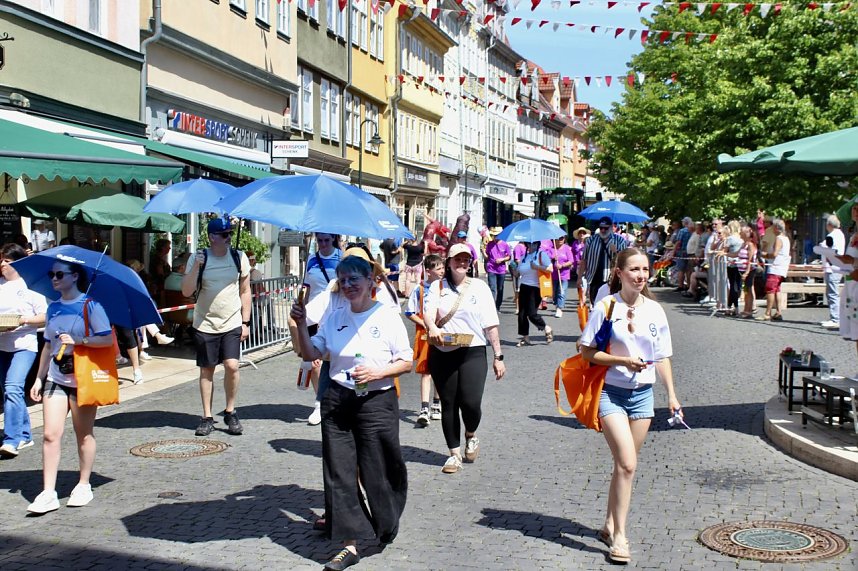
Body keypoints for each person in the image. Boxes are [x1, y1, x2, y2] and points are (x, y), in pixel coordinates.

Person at [290, 255, 412, 571]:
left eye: (354, 278)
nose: (348, 285)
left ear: (371, 281)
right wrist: (300, 324)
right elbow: (311, 353)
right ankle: (349, 544)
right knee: (339, 470)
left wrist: (376, 372)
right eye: (343, 280)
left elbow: (406, 362)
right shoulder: (335, 317)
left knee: (379, 471)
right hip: (338, 400)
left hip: (376, 403)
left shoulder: (386, 317)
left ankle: (386, 519)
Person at [579, 247, 680, 564]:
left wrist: (672, 396)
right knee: (627, 464)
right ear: (619, 273)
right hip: (610, 392)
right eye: (634, 269)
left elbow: (662, 356)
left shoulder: (655, 311)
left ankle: (609, 524)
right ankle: (620, 537)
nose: (641, 275)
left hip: (643, 396)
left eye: (646, 270)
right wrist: (622, 360)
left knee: (624, 466)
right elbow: (587, 352)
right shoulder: (607, 307)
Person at [27, 259, 114, 513]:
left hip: (83, 379)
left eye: (59, 274)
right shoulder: (53, 308)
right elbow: (47, 345)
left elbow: (107, 339)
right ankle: (48, 492)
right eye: (51, 274)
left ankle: (84, 484)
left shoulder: (91, 306)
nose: (54, 278)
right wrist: (39, 378)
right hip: (56, 377)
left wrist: (80, 340)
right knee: (50, 434)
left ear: (75, 276)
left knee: (83, 433)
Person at [424, 243, 505, 474]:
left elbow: (491, 323)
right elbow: (428, 313)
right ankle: (454, 454)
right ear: (448, 262)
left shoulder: (479, 287)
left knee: (470, 402)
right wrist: (432, 328)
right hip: (443, 350)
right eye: (457, 259)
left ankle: (471, 433)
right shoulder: (437, 287)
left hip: (473, 349)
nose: (462, 263)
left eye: (466, 260)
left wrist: (498, 355)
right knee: (448, 403)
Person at [181, 218, 251, 436]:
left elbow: (245, 290)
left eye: (230, 233)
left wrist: (245, 321)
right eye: (224, 234)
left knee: (232, 365)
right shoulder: (199, 257)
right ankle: (207, 416)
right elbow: (186, 291)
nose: (229, 237)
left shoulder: (238, 257)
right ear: (212, 237)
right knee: (207, 369)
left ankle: (230, 411)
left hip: (231, 321)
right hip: (205, 323)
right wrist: (196, 268)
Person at [0, 243, 47, 458]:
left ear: (18, 263)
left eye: (7, 261)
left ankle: (11, 439)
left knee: (12, 387)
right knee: (11, 392)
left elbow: (44, 316)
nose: (2, 265)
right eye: (1, 260)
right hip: (2, 344)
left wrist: (24, 320)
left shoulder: (30, 286)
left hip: (24, 345)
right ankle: (26, 434)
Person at [302, 233, 342, 426]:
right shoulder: (312, 259)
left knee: (331, 359)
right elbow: (306, 286)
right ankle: (319, 402)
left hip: (333, 314)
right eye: (320, 240)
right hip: (314, 313)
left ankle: (331, 398)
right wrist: (301, 306)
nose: (323, 244)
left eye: (327, 240)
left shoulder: (341, 258)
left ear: (333, 240)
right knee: (315, 361)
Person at [404, 254, 444, 426]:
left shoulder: (446, 288)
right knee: (426, 371)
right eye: (438, 269)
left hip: (442, 333)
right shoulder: (420, 289)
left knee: (440, 371)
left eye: (443, 268)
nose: (442, 271)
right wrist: (424, 324)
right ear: (428, 271)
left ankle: (437, 402)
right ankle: (424, 408)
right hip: (424, 335)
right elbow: (409, 312)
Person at [577, 217, 628, 306]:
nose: (603, 230)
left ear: (611, 227)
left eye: (606, 228)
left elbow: (624, 261)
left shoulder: (620, 241)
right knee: (595, 303)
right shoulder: (590, 240)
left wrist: (616, 251)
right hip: (593, 278)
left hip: (611, 279)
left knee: (609, 305)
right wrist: (579, 278)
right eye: (601, 228)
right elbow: (584, 260)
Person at [515, 241, 554, 346]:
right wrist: (513, 267)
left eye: (535, 244)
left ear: (538, 244)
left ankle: (546, 327)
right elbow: (518, 273)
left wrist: (537, 267)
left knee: (531, 313)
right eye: (530, 243)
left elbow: (550, 269)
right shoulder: (524, 257)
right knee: (522, 314)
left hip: (536, 287)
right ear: (527, 245)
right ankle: (525, 337)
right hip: (523, 286)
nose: (532, 246)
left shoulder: (542, 254)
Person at [758, 218, 790, 321]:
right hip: (782, 268)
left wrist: (765, 255)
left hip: (775, 267)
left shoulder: (779, 239)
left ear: (776, 228)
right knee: (777, 290)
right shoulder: (786, 238)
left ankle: (767, 313)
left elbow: (775, 254)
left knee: (770, 290)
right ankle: (778, 312)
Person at [820, 214, 845, 329]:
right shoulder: (840, 234)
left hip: (832, 267)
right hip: (836, 267)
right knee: (832, 292)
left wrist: (822, 248)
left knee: (832, 293)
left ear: (829, 224)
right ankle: (835, 317)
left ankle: (835, 319)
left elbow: (831, 251)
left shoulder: (832, 236)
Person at [484, 227, 511, 311]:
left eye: (496, 235)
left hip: (501, 270)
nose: (494, 237)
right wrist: (483, 252)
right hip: (491, 268)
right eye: (493, 235)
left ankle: (498, 305)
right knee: (492, 287)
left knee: (500, 288)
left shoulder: (505, 244)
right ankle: (492, 306)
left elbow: (509, 256)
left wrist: (502, 259)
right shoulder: (490, 244)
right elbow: (487, 257)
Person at [550, 235, 574, 318]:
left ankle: (559, 308)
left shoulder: (567, 248)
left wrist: (562, 265)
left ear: (564, 239)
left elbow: (571, 261)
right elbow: (546, 260)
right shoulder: (551, 249)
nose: (560, 240)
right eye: (558, 238)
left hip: (564, 274)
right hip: (553, 275)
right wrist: (552, 258)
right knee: (554, 293)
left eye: (562, 238)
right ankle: (556, 304)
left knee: (561, 291)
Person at [149, 238, 172, 304]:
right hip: (159, 288)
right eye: (168, 246)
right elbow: (160, 276)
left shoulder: (160, 259)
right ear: (163, 248)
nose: (169, 248)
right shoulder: (158, 260)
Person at [510, 241, 527, 315]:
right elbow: (517, 260)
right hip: (518, 270)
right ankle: (518, 308)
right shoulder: (518, 247)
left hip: (526, 271)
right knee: (518, 290)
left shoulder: (528, 247)